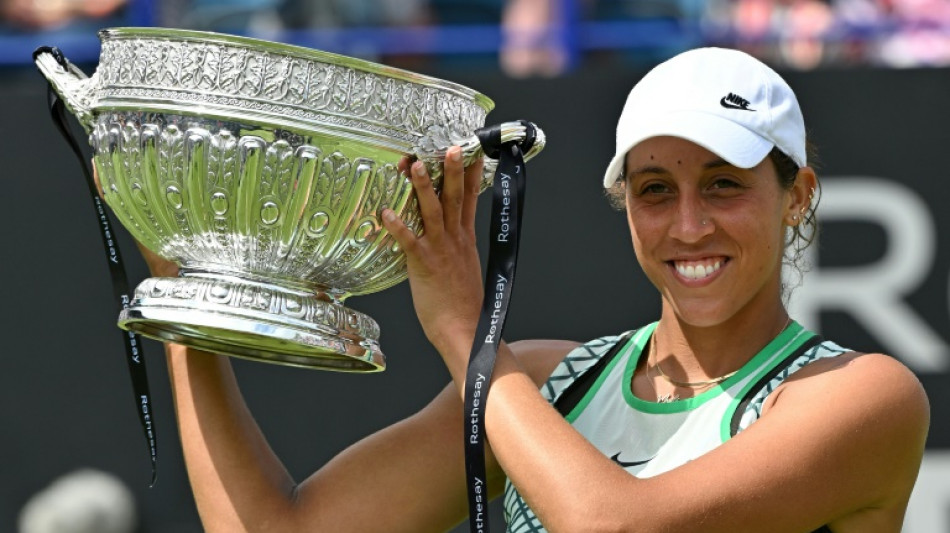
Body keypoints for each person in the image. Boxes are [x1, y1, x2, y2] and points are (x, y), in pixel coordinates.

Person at [130, 47, 928, 532]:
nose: (689, 226)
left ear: (797, 197)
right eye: (655, 189)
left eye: (724, 184)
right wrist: (182, 294)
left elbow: (615, 525)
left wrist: (466, 335)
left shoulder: (864, 397)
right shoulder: (543, 384)